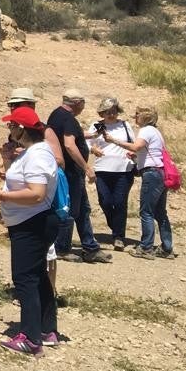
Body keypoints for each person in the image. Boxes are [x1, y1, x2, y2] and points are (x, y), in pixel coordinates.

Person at [0, 106, 61, 356]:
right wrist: (8, 159)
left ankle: (30, 337)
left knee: (25, 279)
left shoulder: (37, 155)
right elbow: (17, 178)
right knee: (37, 275)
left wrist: (3, 196)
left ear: (21, 129)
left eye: (12, 126)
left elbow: (36, 193)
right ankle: (46, 330)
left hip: (32, 223)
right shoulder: (33, 152)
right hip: (31, 222)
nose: (9, 130)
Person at [49, 89, 111, 264]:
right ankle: (62, 248)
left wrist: (91, 135)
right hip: (71, 172)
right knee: (70, 209)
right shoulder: (68, 118)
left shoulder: (57, 115)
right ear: (78, 103)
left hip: (67, 171)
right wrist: (86, 167)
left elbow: (68, 135)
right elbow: (69, 144)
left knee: (83, 209)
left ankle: (90, 247)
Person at [105, 106, 174, 259]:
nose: (134, 117)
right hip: (161, 172)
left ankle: (146, 247)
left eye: (137, 114)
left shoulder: (146, 130)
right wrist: (136, 158)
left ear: (144, 116)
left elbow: (136, 146)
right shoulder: (156, 132)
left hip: (152, 174)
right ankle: (167, 247)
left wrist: (114, 140)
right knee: (160, 212)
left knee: (146, 212)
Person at [88, 98, 136, 250]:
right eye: (108, 112)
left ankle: (118, 236)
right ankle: (115, 226)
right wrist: (93, 149)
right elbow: (86, 142)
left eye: (114, 111)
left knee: (120, 202)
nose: (111, 114)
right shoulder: (96, 126)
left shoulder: (125, 125)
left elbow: (133, 144)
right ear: (102, 113)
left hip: (124, 169)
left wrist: (130, 152)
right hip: (102, 169)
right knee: (105, 201)